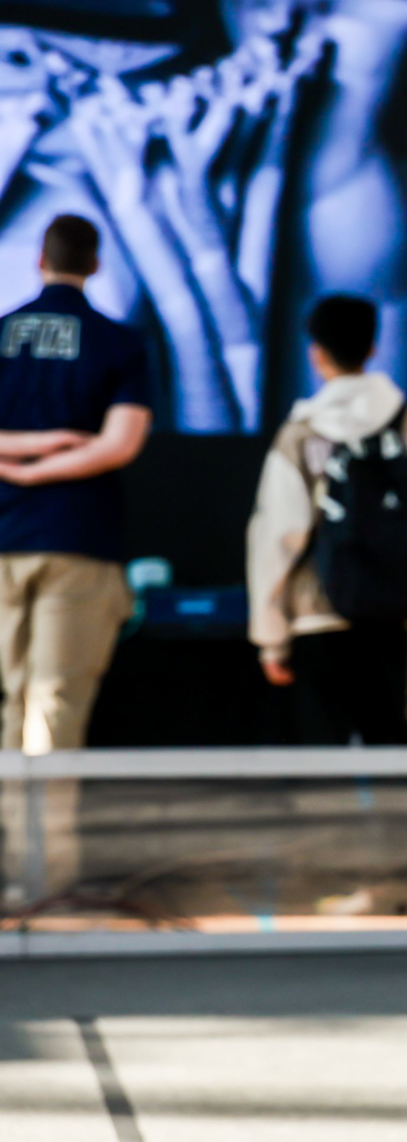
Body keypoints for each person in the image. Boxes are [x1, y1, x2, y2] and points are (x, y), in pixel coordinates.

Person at [0, 214, 153, 902]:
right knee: (53, 709)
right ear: (95, 263)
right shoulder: (118, 341)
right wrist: (55, 451)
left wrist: (21, 461)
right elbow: (120, 444)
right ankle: (43, 874)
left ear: (40, 259)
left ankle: (19, 868)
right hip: (78, 539)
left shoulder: (3, 332)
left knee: (16, 705)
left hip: (7, 538)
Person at [247, 295, 407, 744]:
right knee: (391, 754)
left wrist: (271, 636)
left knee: (322, 762)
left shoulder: (301, 434)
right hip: (392, 615)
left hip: (316, 618)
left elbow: (279, 537)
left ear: (317, 353)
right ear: (373, 348)